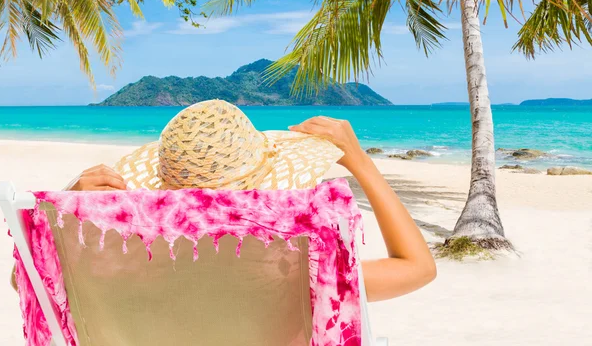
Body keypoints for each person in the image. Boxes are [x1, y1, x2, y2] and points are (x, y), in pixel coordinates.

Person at [60, 102, 436, 302]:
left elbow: (28, 275)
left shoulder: (129, 269)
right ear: (268, 186)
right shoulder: (293, 274)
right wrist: (362, 163)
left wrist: (67, 207)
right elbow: (418, 267)